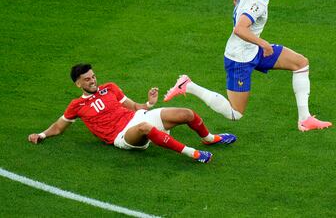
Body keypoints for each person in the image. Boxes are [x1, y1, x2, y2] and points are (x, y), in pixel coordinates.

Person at [164, 0, 332, 132]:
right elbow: (239, 29)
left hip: (253, 50)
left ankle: (305, 119)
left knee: (300, 63)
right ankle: (188, 85)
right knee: (235, 113)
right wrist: (264, 43)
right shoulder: (256, 3)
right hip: (240, 58)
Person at [28, 64, 237, 163]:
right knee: (146, 128)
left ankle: (210, 139)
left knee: (187, 113)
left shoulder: (109, 88)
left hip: (137, 118)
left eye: (93, 77)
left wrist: (148, 103)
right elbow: (59, 126)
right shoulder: (76, 105)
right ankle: (193, 154)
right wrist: (42, 134)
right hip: (122, 136)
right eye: (87, 79)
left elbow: (134, 107)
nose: (92, 81)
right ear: (78, 83)